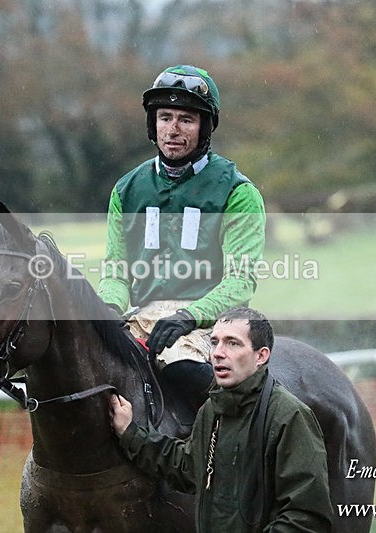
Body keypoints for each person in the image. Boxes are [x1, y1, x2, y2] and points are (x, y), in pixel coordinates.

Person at [97, 65, 266, 408]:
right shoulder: (126, 190)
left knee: (181, 369)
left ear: (205, 126)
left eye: (186, 119)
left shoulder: (238, 192)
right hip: (142, 317)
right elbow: (116, 272)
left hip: (209, 323)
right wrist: (106, 311)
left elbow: (240, 281)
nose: (172, 129)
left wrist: (189, 316)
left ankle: (235, 442)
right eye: (164, 117)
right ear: (152, 123)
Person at [109, 307, 333, 532]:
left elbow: (305, 517)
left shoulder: (289, 415)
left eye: (232, 343)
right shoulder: (211, 410)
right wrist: (130, 433)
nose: (217, 352)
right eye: (215, 342)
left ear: (261, 356)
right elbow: (188, 467)